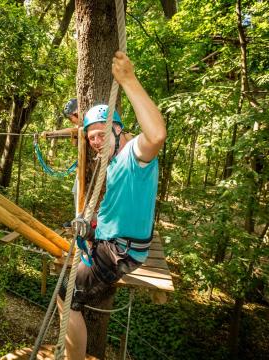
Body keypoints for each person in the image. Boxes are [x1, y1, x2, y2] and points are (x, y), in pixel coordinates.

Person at [58, 51, 166, 359]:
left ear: (119, 130)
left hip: (119, 250)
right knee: (72, 274)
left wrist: (129, 81)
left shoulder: (134, 154)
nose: (94, 140)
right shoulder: (114, 161)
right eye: (91, 137)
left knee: (67, 298)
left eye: (101, 134)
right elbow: (113, 207)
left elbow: (156, 134)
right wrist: (89, 227)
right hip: (111, 240)